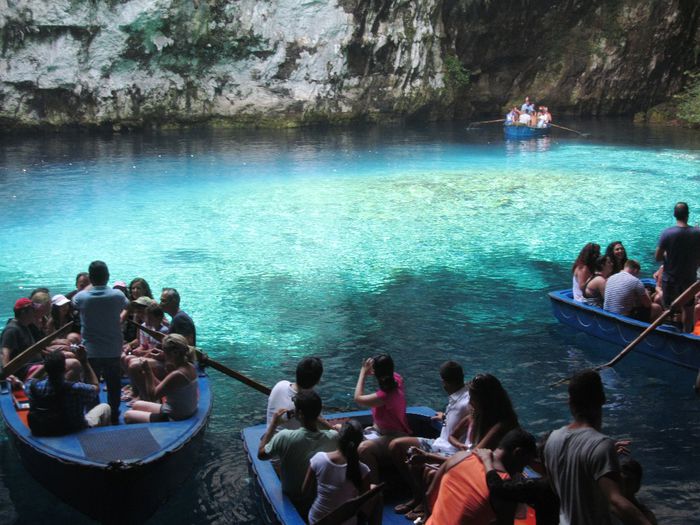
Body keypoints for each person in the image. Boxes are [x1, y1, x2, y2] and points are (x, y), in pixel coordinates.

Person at [544, 369, 653, 525]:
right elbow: (615, 502)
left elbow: (557, 488)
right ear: (602, 399)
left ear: (569, 402)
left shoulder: (553, 439)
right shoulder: (602, 445)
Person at [389, 361, 471, 516]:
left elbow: (468, 420)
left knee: (416, 457)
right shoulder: (459, 395)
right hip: (438, 443)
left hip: (450, 451)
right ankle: (417, 495)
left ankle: (422, 502)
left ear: (444, 382)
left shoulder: (467, 402)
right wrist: (445, 416)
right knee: (396, 446)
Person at [425, 428, 537, 525]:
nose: (522, 470)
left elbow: (429, 495)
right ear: (518, 453)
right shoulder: (505, 488)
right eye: (525, 462)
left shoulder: (460, 457)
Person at [258, 390, 339, 506]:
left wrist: (273, 424)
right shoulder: (333, 437)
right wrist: (316, 418)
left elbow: (261, 454)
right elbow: (335, 431)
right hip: (317, 496)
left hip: (292, 496)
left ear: (299, 414)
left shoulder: (284, 437)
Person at [73, 261, 129, 424]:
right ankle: (114, 414)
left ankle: (95, 416)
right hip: (112, 349)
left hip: (91, 350)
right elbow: (127, 305)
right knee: (113, 385)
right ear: (108, 277)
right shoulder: (118, 296)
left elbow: (74, 303)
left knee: (92, 385)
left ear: (90, 278)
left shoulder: (81, 297)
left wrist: (88, 286)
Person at [302, 419, 381, 525]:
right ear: (359, 442)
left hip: (316, 520)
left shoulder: (318, 458)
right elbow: (363, 503)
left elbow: (304, 491)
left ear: (339, 438)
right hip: (347, 522)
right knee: (376, 492)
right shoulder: (362, 469)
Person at [26, 348, 111, 435]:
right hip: (72, 430)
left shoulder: (32, 386)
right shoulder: (75, 388)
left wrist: (48, 363)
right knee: (105, 407)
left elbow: (29, 379)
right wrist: (85, 362)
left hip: (42, 429)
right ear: (64, 368)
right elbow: (96, 388)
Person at [354, 354, 411, 483]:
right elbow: (386, 371)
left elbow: (358, 398)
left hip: (394, 436)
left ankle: (374, 489)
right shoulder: (397, 379)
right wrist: (375, 370)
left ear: (376, 372)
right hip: (379, 432)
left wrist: (363, 373)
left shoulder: (385, 396)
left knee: (364, 449)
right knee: (344, 430)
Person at [124, 334, 198, 422]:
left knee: (127, 415)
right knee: (136, 405)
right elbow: (165, 387)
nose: (164, 355)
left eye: (165, 352)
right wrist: (150, 373)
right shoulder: (190, 366)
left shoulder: (178, 374)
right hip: (182, 409)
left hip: (175, 415)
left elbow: (153, 396)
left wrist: (148, 371)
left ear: (173, 354)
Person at [654, 202, 700, 332]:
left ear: (675, 215)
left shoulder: (667, 233)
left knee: (668, 309)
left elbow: (657, 257)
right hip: (689, 279)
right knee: (688, 308)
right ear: (688, 215)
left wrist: (668, 254)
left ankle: (665, 331)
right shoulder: (697, 233)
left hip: (670, 279)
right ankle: (686, 332)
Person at [449, 373, 519, 452]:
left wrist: (433, 457)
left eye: (473, 398)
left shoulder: (502, 426)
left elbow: (475, 455)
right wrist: (460, 445)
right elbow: (452, 436)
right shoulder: (474, 416)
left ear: (484, 401)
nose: (470, 401)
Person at [266, 356, 324, 431]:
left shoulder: (280, 384)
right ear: (318, 381)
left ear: (297, 373)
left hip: (270, 438)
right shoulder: (310, 402)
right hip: (289, 442)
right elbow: (321, 429)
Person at [1, 298, 38, 381]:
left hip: (34, 364)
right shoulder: (12, 330)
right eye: (32, 310)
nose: (35, 313)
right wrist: (8, 374)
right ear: (23, 312)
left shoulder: (25, 326)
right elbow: (4, 353)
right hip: (24, 370)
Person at [617, 458, 658, 525]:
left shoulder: (646, 517)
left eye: (627, 482)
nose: (622, 487)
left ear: (637, 486)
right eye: (619, 481)